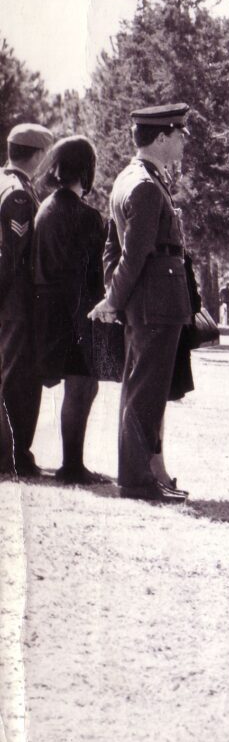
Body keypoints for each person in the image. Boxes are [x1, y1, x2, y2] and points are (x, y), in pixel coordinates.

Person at [88, 103, 192, 502]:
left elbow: (111, 252)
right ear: (162, 137)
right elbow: (133, 254)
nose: (183, 141)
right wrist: (114, 300)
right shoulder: (146, 185)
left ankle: (138, 476)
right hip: (155, 301)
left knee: (139, 389)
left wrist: (114, 298)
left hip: (146, 301)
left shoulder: (131, 179)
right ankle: (136, 481)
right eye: (179, 134)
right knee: (145, 392)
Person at [32, 136, 107, 484]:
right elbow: (89, 275)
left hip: (47, 309)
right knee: (83, 388)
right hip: (77, 312)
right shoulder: (88, 217)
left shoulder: (44, 207)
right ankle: (72, 465)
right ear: (86, 169)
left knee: (77, 390)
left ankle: (71, 463)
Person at [0, 123, 54, 478]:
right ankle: (15, 454)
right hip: (16, 301)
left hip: (10, 302)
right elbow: (16, 256)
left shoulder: (5, 182)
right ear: (36, 155)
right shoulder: (19, 194)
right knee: (18, 379)